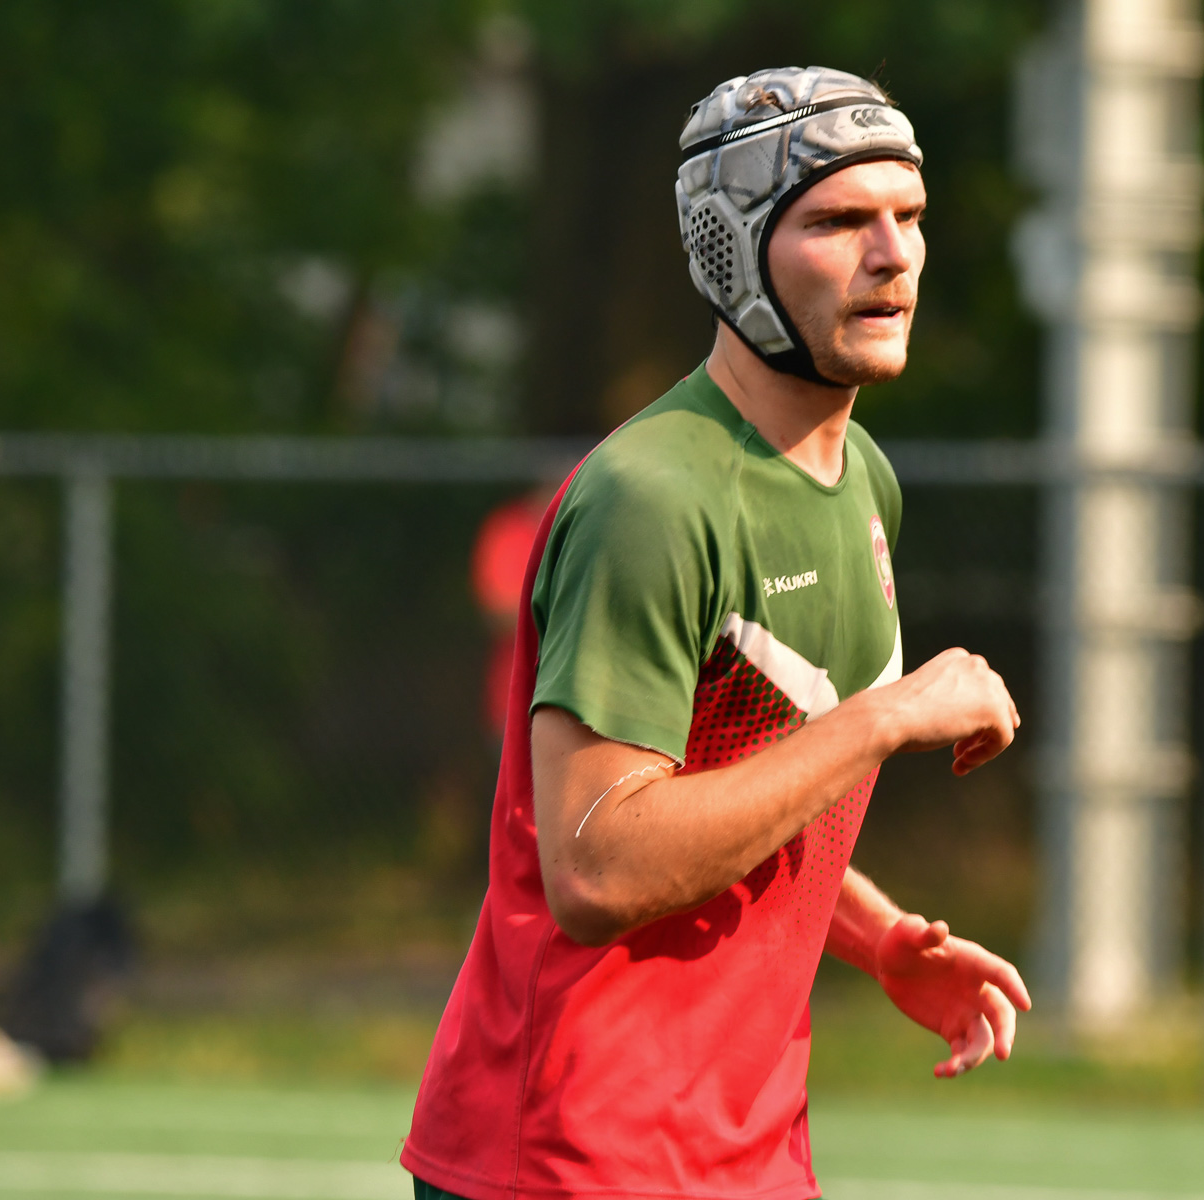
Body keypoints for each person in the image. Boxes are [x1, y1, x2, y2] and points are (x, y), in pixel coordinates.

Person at [403, 66, 1030, 1200]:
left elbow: (746, 778)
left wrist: (880, 934)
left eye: (910, 217)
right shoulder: (653, 498)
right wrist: (886, 718)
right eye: (840, 221)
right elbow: (600, 862)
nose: (894, 255)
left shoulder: (863, 481)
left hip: (744, 1152)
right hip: (571, 1155)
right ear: (731, 249)